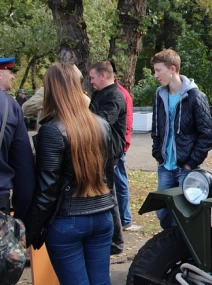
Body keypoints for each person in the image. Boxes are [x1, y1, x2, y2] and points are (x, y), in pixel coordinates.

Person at [24, 62, 115, 285]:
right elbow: (109, 174)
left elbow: (47, 190)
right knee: (100, 282)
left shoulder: (52, 130)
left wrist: (30, 232)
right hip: (102, 214)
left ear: (52, 90)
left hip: (68, 220)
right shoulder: (101, 124)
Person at [151, 49, 212, 229]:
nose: (155, 75)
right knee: (162, 211)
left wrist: (190, 162)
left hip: (185, 168)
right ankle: (172, 244)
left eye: (158, 70)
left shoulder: (195, 96)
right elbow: (156, 128)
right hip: (165, 166)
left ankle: (186, 250)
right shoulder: (159, 95)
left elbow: (207, 135)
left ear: (172, 69)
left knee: (188, 212)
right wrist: (158, 156)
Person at [88, 60, 126, 255]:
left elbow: (101, 122)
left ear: (103, 76)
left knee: (108, 197)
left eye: (93, 77)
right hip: (101, 151)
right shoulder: (102, 94)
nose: (91, 81)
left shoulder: (114, 96)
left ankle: (116, 241)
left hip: (108, 153)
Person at [0, 56, 35, 220]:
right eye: (10, 71)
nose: (13, 76)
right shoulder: (10, 107)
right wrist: (21, 219)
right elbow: (23, 167)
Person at [114, 75, 140, 231]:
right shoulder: (106, 92)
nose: (91, 82)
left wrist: (124, 145)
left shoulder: (120, 94)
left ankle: (125, 220)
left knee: (120, 182)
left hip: (118, 147)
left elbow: (127, 123)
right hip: (116, 146)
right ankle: (123, 219)